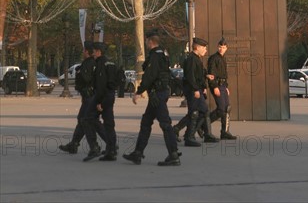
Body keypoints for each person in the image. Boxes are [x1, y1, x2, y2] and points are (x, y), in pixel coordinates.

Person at [123, 29, 180, 166]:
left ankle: (173, 154)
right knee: (146, 123)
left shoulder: (155, 56)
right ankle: (138, 153)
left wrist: (139, 92)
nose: (146, 43)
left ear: (150, 41)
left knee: (165, 124)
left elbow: (149, 76)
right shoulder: (163, 53)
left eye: (147, 41)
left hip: (157, 94)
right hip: (160, 93)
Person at [59, 41, 107, 154]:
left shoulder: (88, 63)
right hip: (91, 96)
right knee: (84, 120)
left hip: (90, 96)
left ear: (87, 52)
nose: (83, 52)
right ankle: (74, 144)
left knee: (87, 120)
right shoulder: (95, 62)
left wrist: (79, 72)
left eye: (84, 50)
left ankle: (102, 145)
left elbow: (86, 78)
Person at [82, 42, 118, 162]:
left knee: (87, 119)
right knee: (109, 124)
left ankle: (94, 147)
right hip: (110, 96)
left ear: (99, 52)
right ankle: (111, 150)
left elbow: (101, 85)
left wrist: (100, 102)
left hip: (103, 96)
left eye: (94, 51)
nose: (93, 53)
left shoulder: (101, 64)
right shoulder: (111, 63)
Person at [182, 37, 219, 147]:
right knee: (196, 112)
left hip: (197, 89)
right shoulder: (191, 59)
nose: (205, 50)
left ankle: (205, 134)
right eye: (204, 48)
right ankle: (190, 136)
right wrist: (195, 89)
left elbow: (198, 74)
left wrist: (206, 76)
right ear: (197, 47)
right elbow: (190, 76)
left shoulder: (196, 58)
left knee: (201, 112)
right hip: (193, 90)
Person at [207, 38, 237, 140]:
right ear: (217, 47)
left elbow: (224, 75)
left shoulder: (223, 58)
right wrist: (214, 86)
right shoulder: (213, 58)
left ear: (226, 48)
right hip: (217, 85)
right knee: (221, 109)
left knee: (227, 108)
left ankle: (225, 132)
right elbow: (211, 74)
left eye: (223, 47)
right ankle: (203, 125)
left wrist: (226, 87)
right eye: (220, 47)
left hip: (223, 86)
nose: (221, 49)